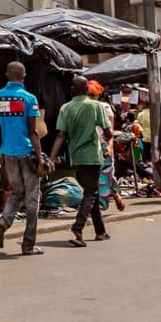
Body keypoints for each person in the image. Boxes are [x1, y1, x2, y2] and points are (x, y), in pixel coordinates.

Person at [0, 62, 46, 256]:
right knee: (32, 200)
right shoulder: (29, 98)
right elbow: (33, 131)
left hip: (7, 152)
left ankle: (3, 222)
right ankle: (28, 245)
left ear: (6, 74)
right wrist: (40, 158)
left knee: (15, 192)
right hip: (27, 153)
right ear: (24, 76)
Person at [50, 75, 110, 247]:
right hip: (92, 155)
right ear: (87, 90)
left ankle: (100, 231)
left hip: (76, 156)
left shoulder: (65, 108)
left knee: (91, 192)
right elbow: (106, 129)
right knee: (90, 192)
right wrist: (109, 137)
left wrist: (52, 157)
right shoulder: (96, 106)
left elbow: (61, 134)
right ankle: (78, 226)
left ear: (71, 91)